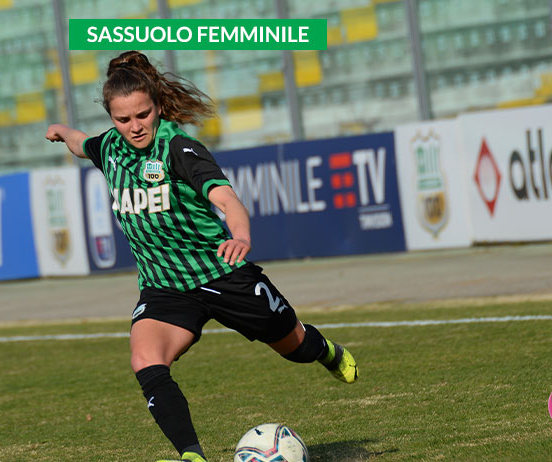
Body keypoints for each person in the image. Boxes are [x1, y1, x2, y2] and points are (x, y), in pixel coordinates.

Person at [45, 50, 357, 462]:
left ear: (158, 106)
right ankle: (191, 456)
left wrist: (240, 234)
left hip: (222, 273)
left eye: (143, 114)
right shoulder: (109, 148)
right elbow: (80, 144)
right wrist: (62, 131)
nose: (135, 126)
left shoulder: (179, 148)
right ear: (112, 118)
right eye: (123, 119)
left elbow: (226, 198)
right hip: (165, 287)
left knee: (294, 346)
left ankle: (327, 351)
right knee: (145, 359)